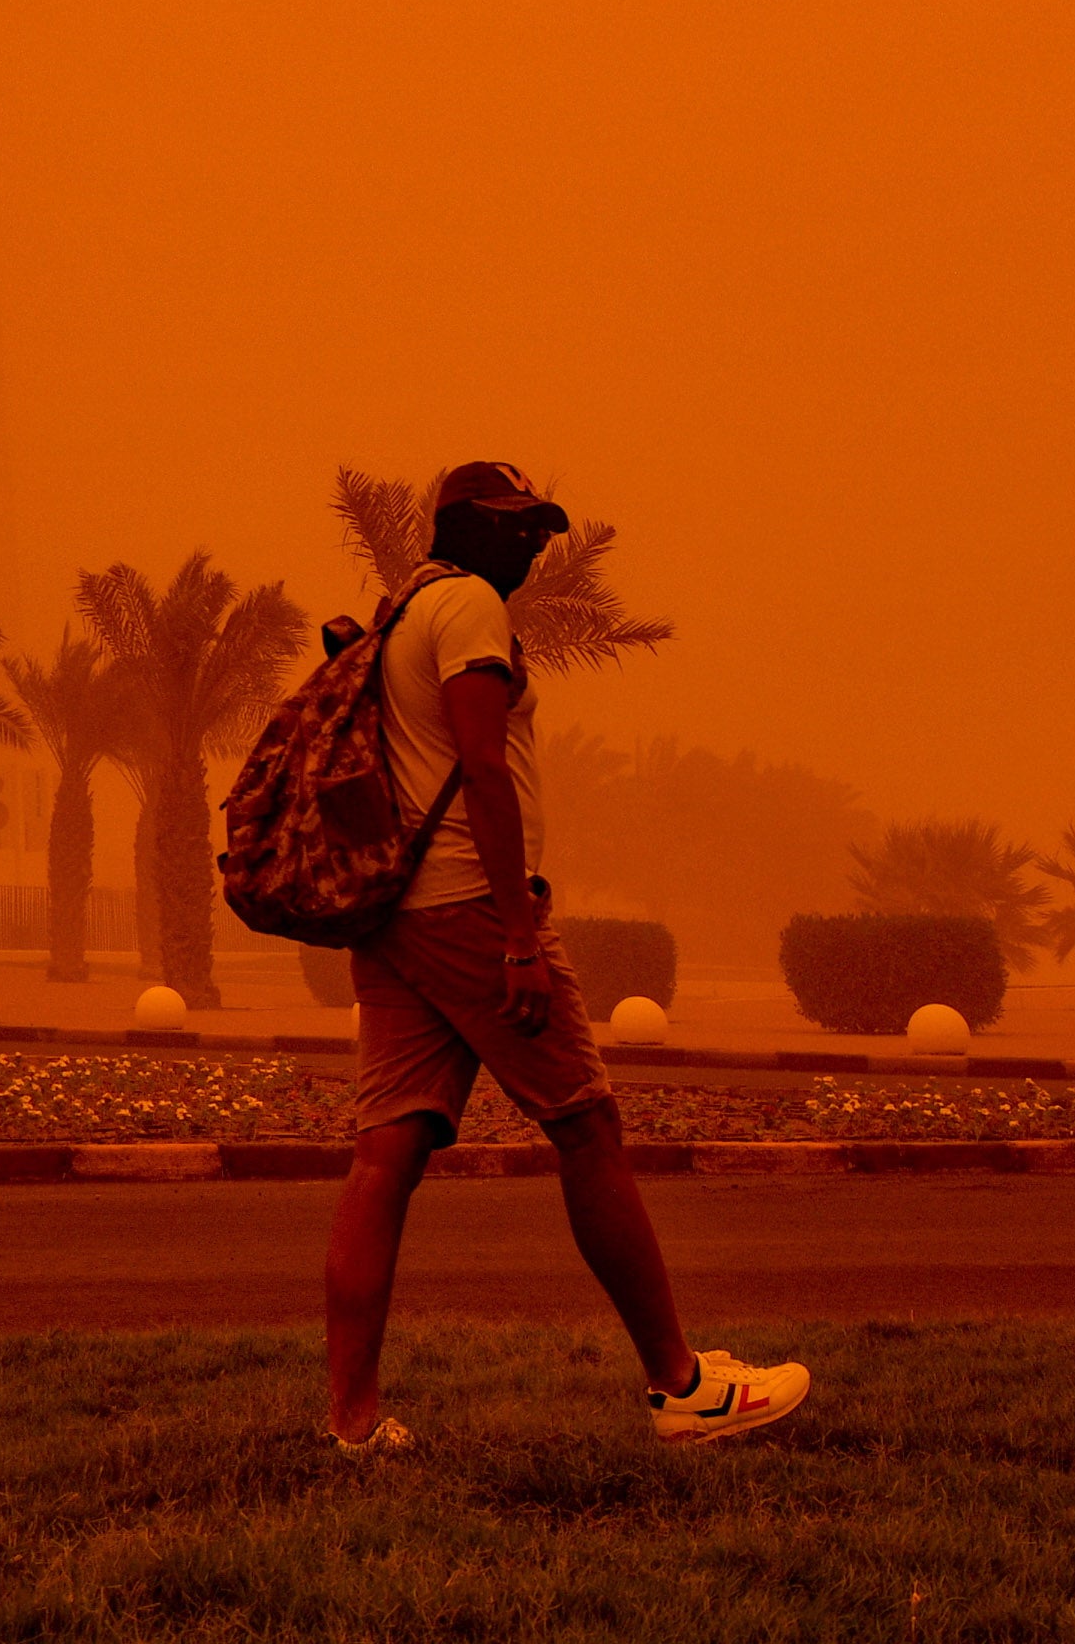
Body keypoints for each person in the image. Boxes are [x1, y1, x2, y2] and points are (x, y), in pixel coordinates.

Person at [321, 458, 808, 1455]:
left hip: (394, 916)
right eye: (513, 525)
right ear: (461, 528)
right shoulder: (461, 609)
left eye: (538, 527)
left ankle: (353, 1424)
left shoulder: (399, 612)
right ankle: (680, 1385)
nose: (533, 543)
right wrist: (516, 932)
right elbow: (483, 766)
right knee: (587, 1127)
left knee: (385, 1155)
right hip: (467, 909)